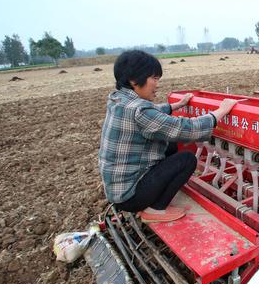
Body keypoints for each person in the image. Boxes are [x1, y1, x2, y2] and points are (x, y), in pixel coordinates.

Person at [98, 50, 237, 223]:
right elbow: (186, 129)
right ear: (134, 80)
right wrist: (221, 111)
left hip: (118, 189)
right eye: (154, 78)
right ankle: (156, 209)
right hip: (130, 197)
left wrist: (176, 105)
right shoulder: (139, 111)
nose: (157, 84)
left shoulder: (118, 99)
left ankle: (158, 190)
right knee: (187, 160)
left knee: (170, 146)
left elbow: (152, 113)